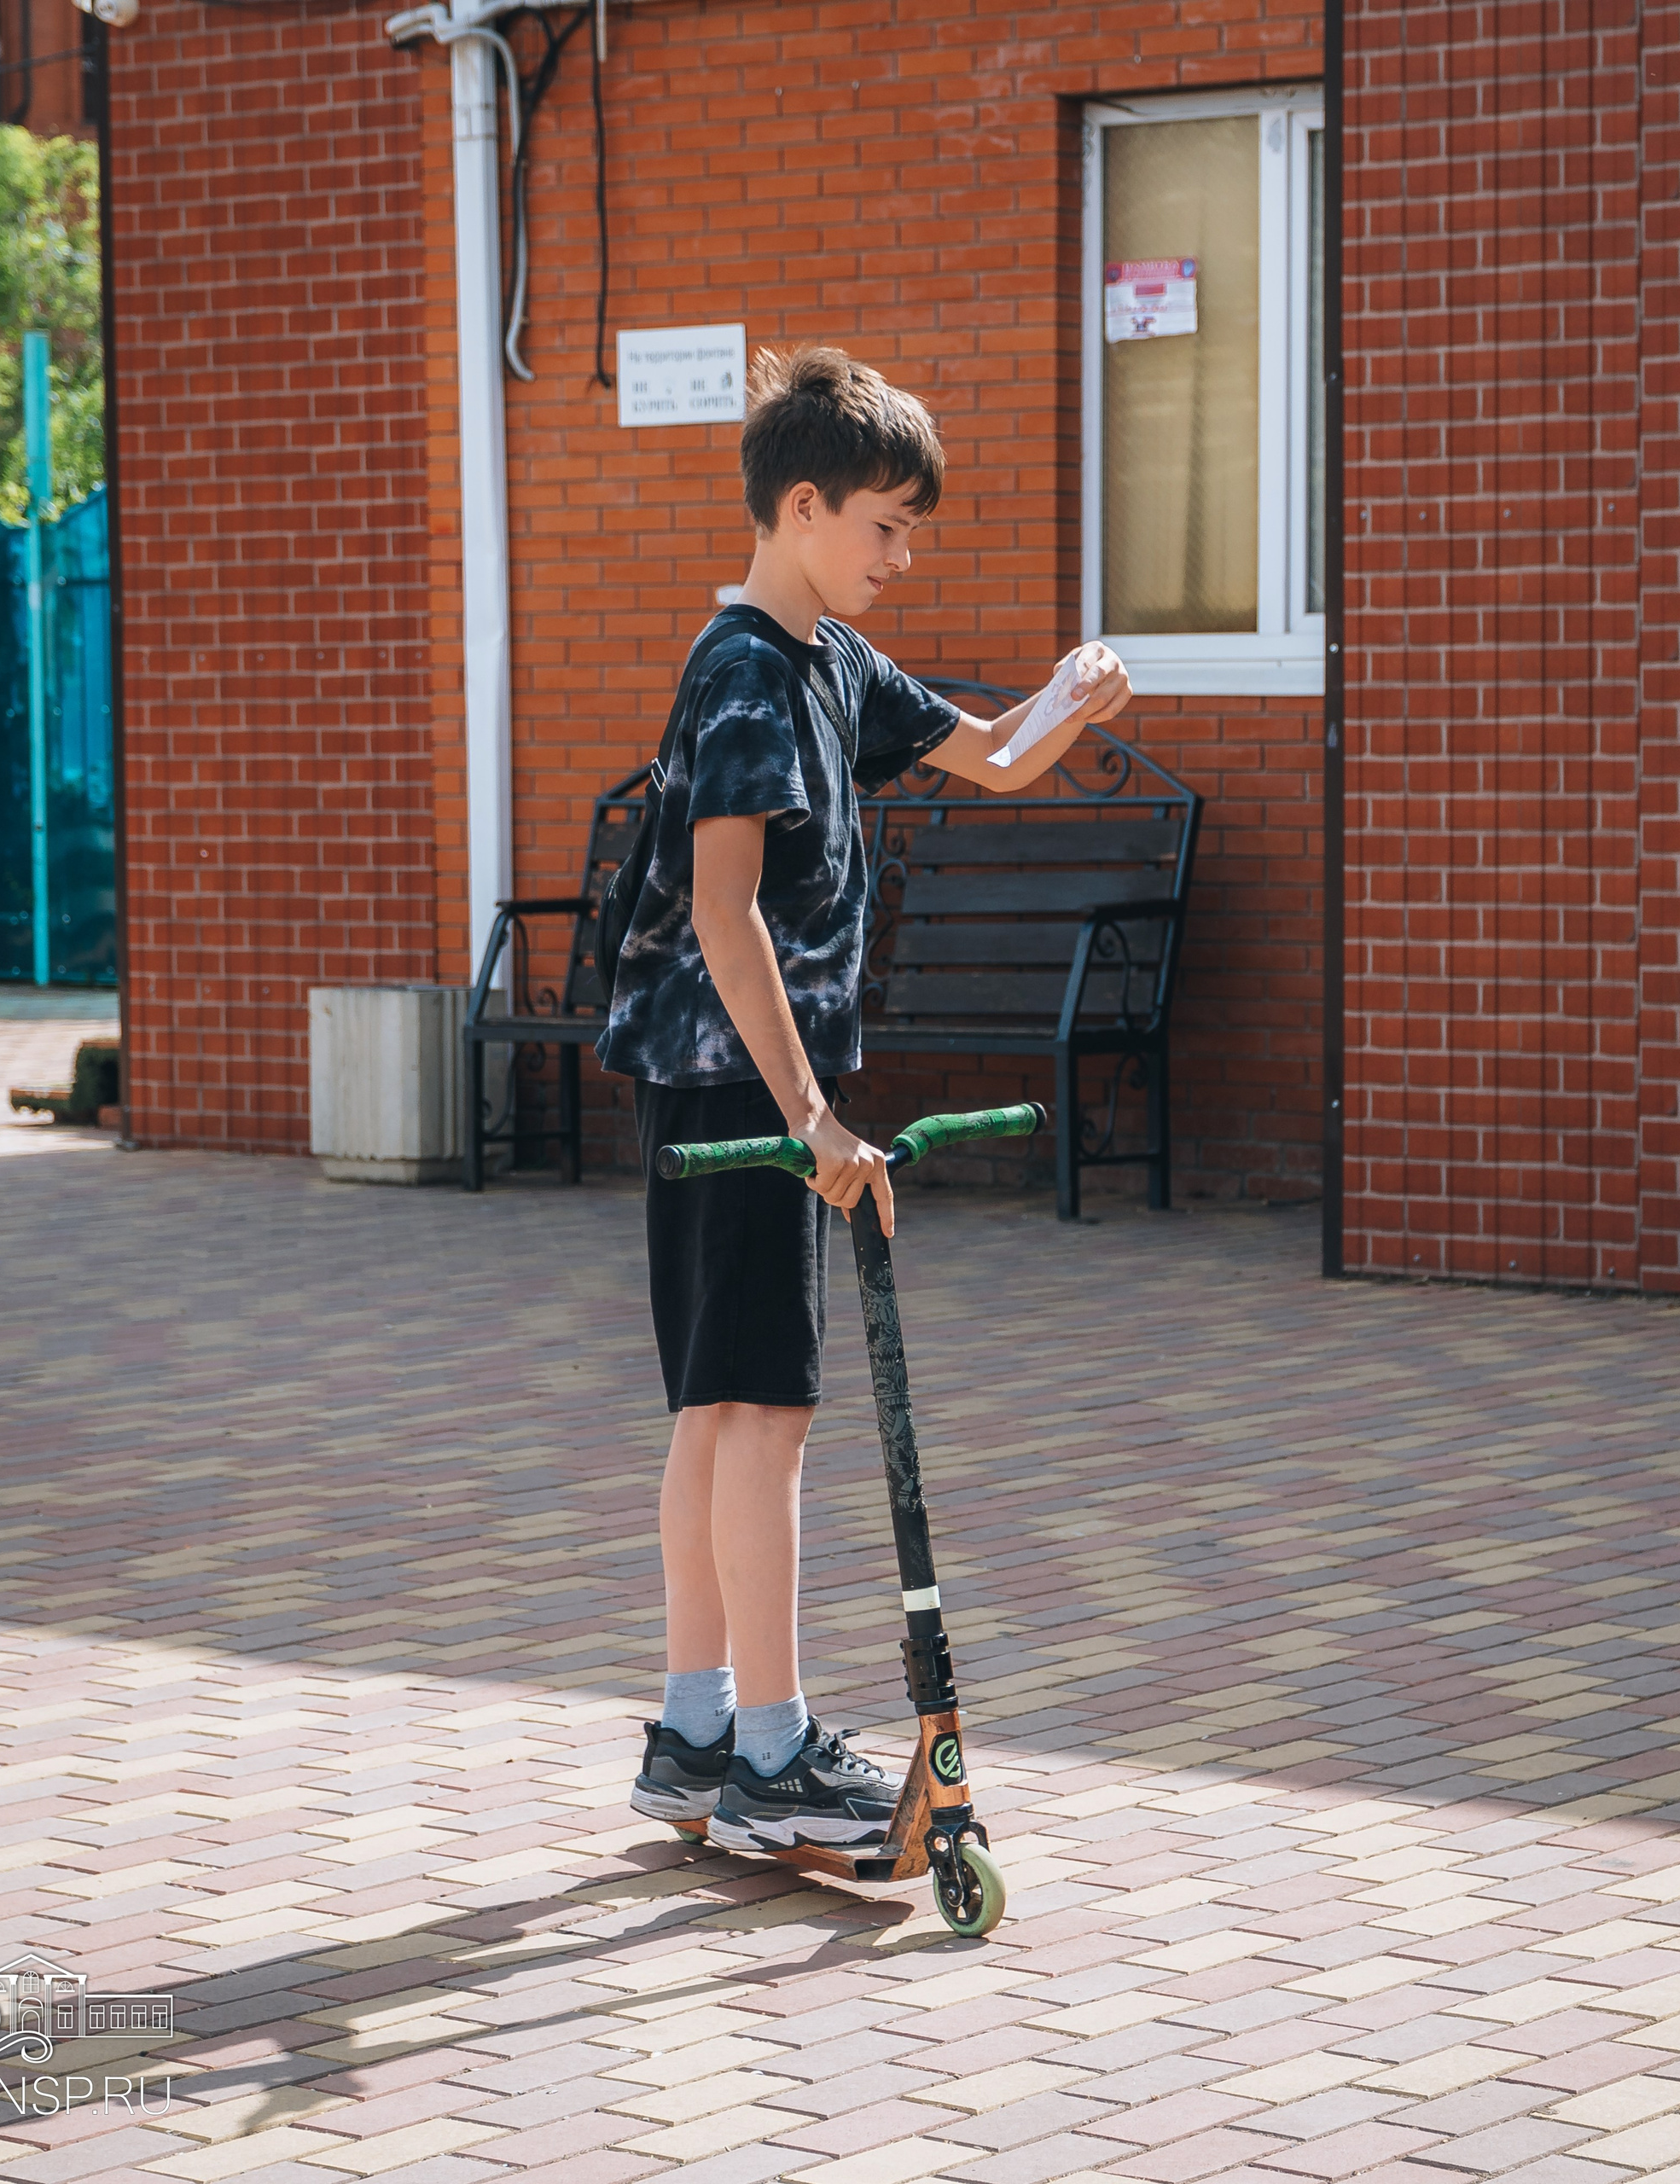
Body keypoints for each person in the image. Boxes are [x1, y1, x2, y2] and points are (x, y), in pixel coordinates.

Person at [597, 346, 1132, 1853]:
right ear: (805, 505)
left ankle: (696, 1729)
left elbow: (997, 759)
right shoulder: (749, 673)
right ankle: (768, 1752)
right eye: (888, 526)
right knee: (764, 1416)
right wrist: (814, 1114)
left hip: (734, 1092)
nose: (904, 556)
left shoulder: (830, 660)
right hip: (740, 1093)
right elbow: (723, 911)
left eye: (914, 531)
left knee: (718, 1411)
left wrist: (1068, 701)